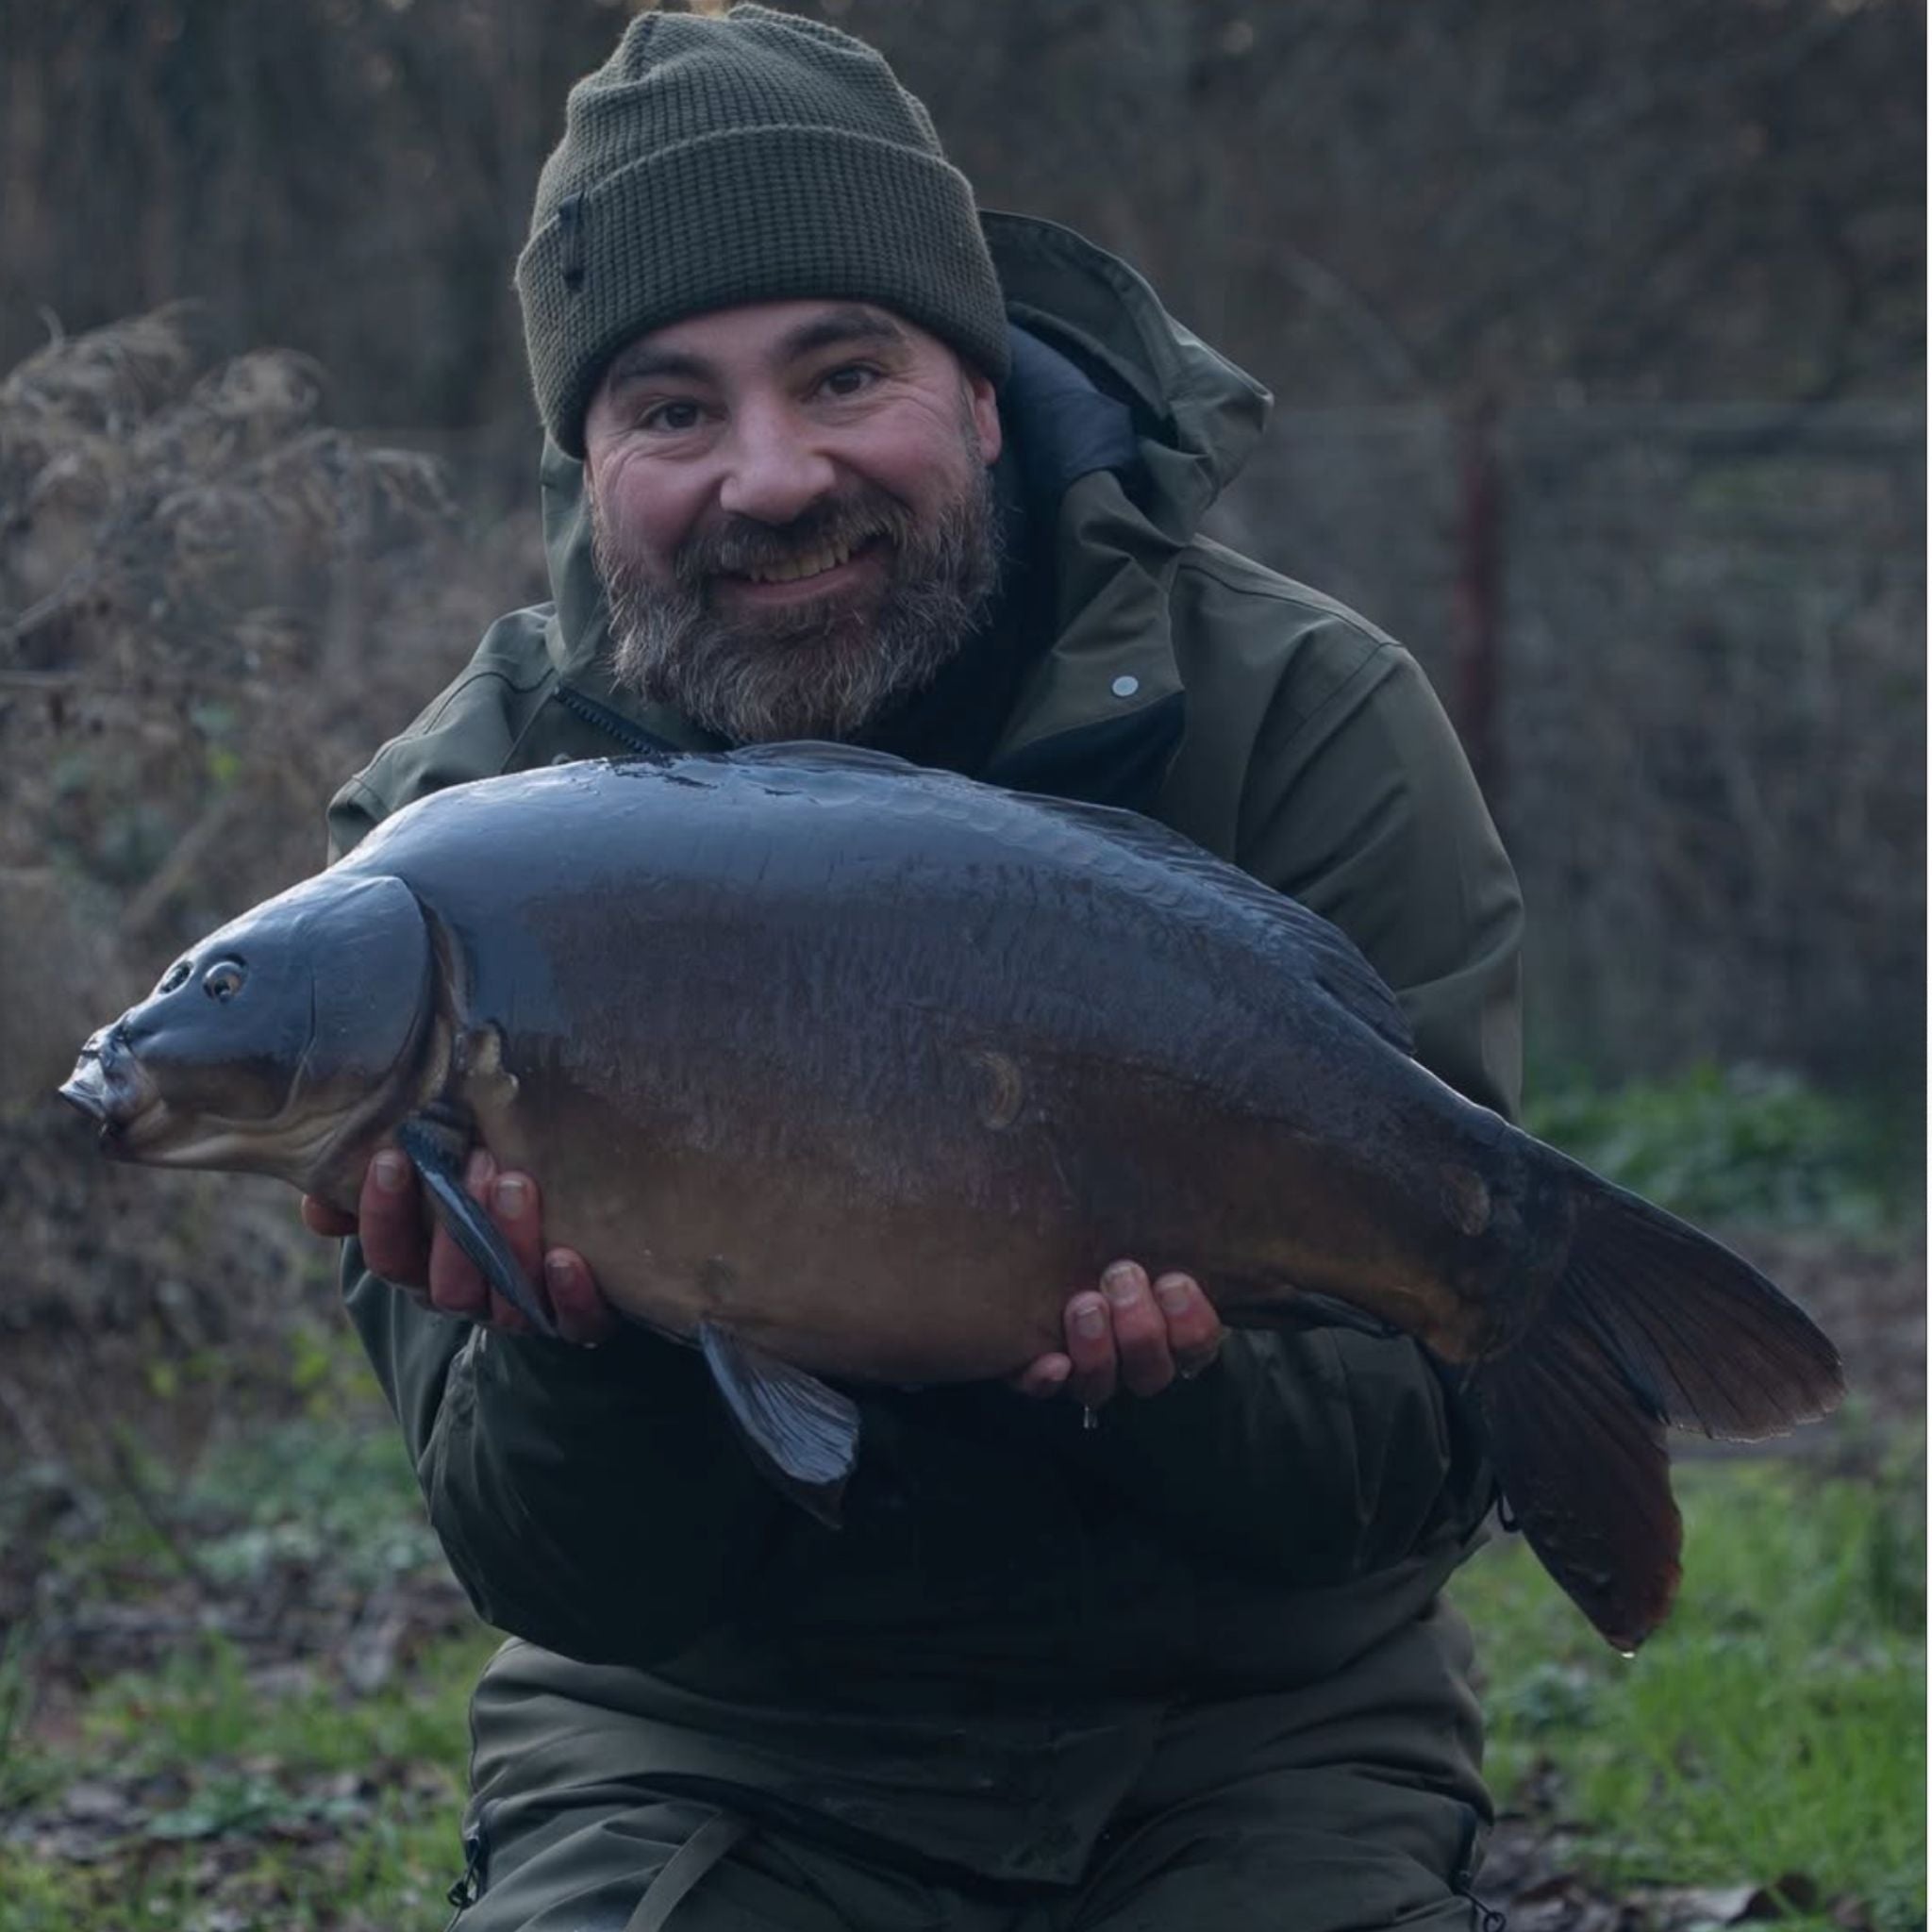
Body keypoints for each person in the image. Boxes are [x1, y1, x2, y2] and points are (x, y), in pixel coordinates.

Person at [306, 8, 1523, 1927]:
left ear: (978, 389)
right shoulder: (444, 856)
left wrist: (1174, 1391)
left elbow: (1412, 1467)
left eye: (842, 371)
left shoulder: (1297, 720)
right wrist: (591, 1346)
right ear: (587, 459)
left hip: (1243, 1721)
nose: (770, 477)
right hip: (708, 1740)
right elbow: (562, 1578)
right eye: (672, 408)